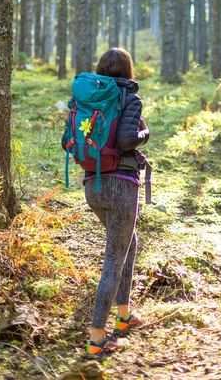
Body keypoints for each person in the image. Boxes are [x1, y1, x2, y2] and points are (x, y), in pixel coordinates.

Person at [77, 48, 150, 357]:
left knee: (128, 244)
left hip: (92, 186)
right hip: (121, 187)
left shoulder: (87, 100)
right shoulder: (130, 100)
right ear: (128, 71)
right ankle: (96, 337)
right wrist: (146, 133)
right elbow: (127, 141)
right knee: (113, 257)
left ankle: (123, 316)